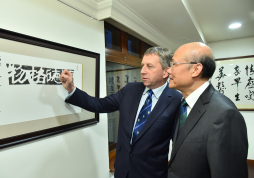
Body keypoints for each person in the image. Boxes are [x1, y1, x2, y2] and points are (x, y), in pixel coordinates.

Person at [59, 47, 182, 178]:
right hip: (122, 170)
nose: (143, 71)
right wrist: (72, 89)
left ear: (165, 72)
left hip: (152, 174)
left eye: (150, 66)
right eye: (142, 66)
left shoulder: (176, 99)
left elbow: (179, 145)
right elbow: (100, 105)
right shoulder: (130, 90)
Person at [167, 42, 248, 178]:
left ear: (196, 69)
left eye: (174, 64)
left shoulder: (224, 114)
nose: (168, 70)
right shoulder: (183, 105)